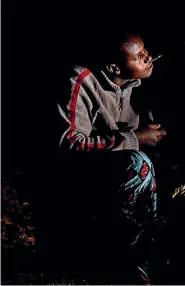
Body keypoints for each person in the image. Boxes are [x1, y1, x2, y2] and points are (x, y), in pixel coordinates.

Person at [45, 30, 168, 284]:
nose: (148, 58)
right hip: (74, 180)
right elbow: (68, 146)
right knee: (139, 164)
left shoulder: (137, 86)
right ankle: (122, 258)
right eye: (139, 56)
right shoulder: (80, 80)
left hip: (112, 176)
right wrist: (137, 138)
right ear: (114, 66)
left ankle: (148, 253)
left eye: (146, 51)